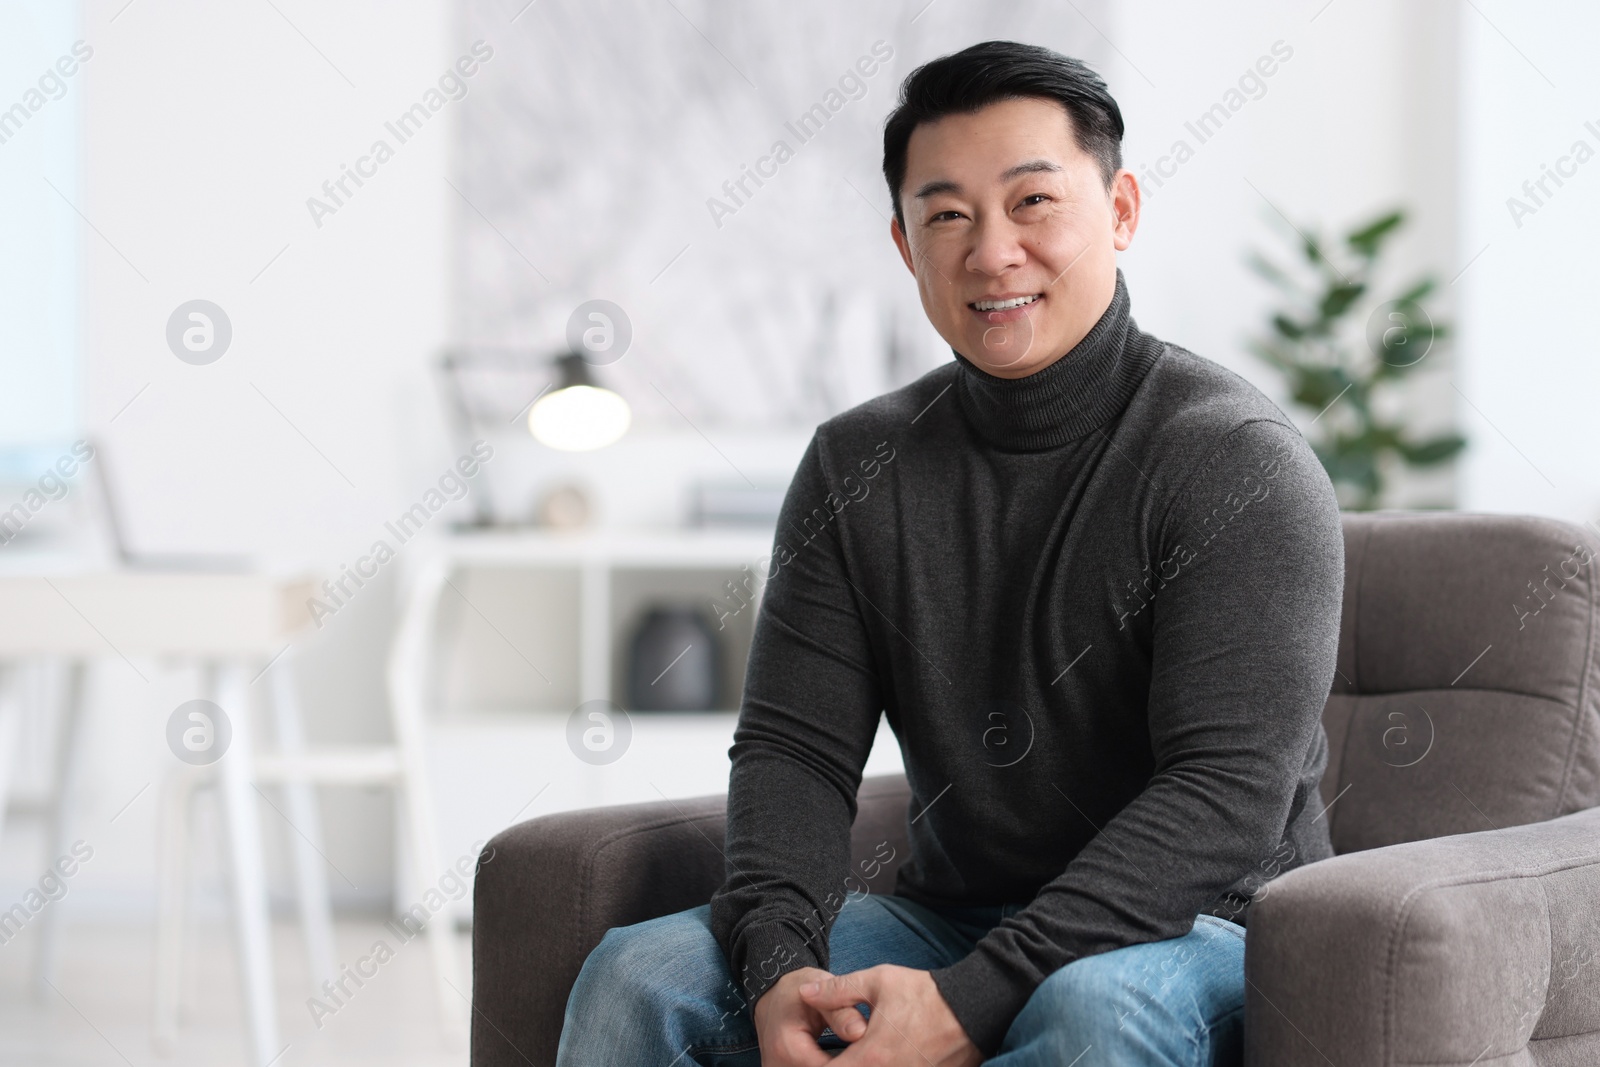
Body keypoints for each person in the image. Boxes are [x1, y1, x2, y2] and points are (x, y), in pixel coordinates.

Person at [556, 39, 1343, 1066]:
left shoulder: (1236, 460)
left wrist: (974, 998)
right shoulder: (856, 463)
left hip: (1203, 926)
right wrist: (778, 966)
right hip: (958, 913)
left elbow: (1223, 798)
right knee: (637, 978)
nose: (991, 252)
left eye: (1031, 203)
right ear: (904, 245)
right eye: (947, 216)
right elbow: (795, 752)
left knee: (1090, 1010)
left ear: (1119, 211)